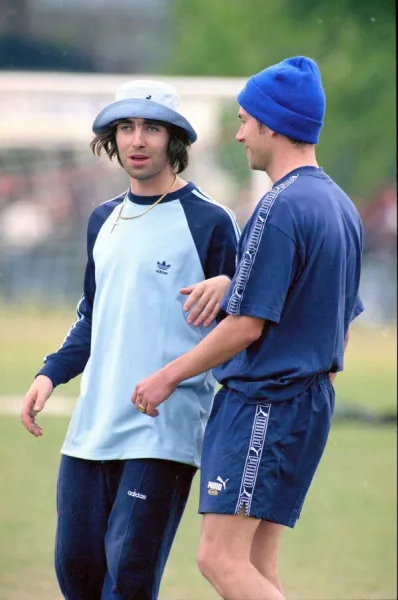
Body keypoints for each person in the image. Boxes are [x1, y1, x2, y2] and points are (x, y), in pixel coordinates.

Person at [131, 57, 365, 600]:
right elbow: (339, 319)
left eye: (244, 120)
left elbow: (245, 327)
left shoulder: (278, 206)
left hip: (265, 402)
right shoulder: (339, 204)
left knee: (219, 559)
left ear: (273, 124)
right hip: (303, 405)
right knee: (258, 566)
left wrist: (167, 377)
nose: (239, 134)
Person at [20, 79, 239, 600]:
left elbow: (242, 321)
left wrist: (229, 288)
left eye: (151, 128)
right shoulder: (103, 220)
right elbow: (93, 316)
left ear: (175, 140)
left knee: (131, 582)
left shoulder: (210, 221)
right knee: (77, 576)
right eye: (126, 127)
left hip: (162, 432)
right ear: (113, 138)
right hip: (91, 430)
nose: (137, 139)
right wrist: (50, 373)